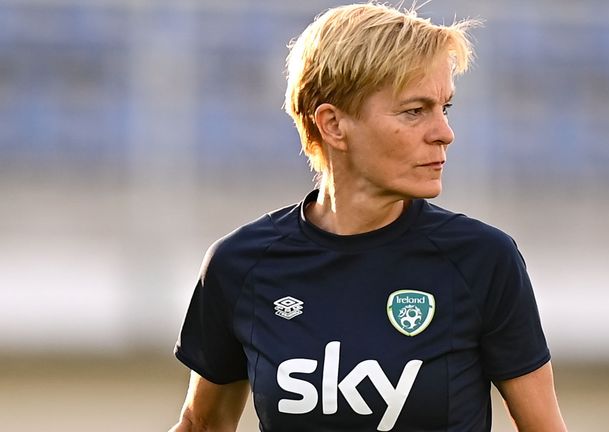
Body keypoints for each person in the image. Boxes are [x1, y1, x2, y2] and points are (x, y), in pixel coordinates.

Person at [169, 3, 567, 431]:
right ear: (333, 125)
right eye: (414, 111)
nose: (444, 133)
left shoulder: (483, 259)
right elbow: (202, 424)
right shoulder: (241, 264)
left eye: (444, 108)